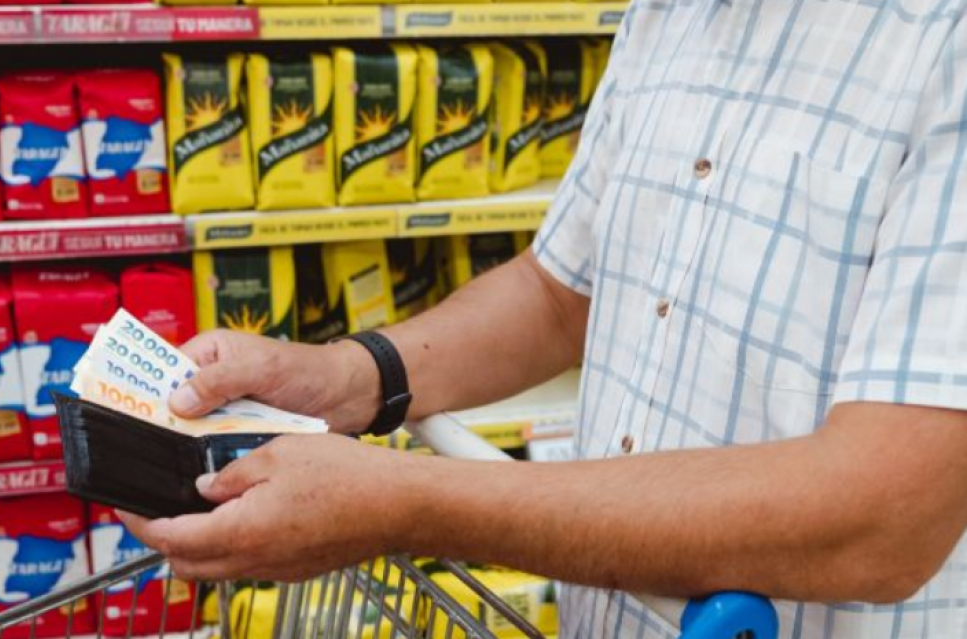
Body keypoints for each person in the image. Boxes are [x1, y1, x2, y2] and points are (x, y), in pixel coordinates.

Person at [121, 1, 967, 637]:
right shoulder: (669, 12)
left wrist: (409, 502)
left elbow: (885, 515)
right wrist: (351, 375)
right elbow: (561, 292)